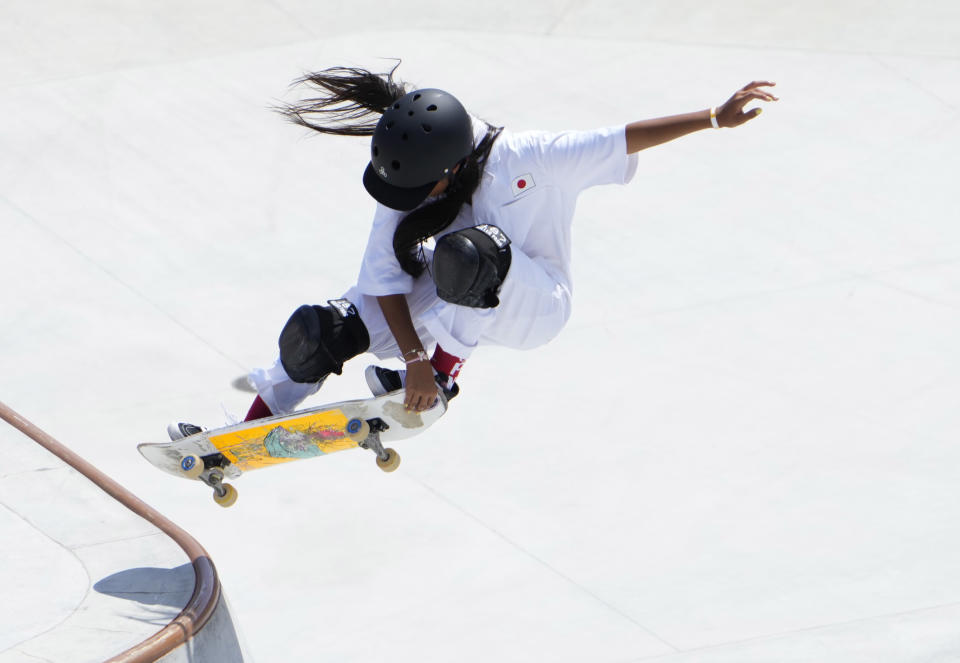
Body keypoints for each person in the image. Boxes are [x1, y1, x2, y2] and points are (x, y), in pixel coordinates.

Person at [168, 65, 777, 440]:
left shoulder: (532, 158)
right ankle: (243, 430)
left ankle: (447, 378)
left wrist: (715, 119)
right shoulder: (409, 179)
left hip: (536, 302)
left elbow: (617, 137)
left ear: (453, 165)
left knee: (470, 252)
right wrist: (407, 355)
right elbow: (380, 281)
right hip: (450, 295)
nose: (410, 201)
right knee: (321, 329)